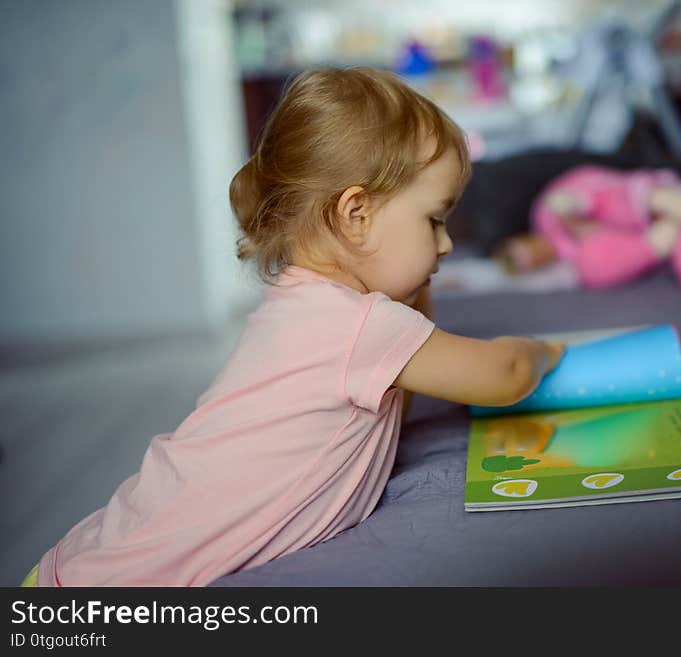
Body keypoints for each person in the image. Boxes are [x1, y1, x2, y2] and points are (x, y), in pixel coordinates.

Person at [26, 67, 565, 587]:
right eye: (434, 220)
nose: (446, 244)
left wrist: (412, 275)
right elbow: (505, 374)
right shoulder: (360, 327)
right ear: (356, 215)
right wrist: (543, 351)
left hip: (79, 564)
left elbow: (417, 355)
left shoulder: (309, 306)